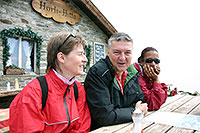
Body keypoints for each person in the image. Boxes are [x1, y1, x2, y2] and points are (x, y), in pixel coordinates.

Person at [9, 32, 91, 132]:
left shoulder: (78, 89)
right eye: (80, 54)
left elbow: (82, 128)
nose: (85, 60)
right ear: (61, 57)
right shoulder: (33, 92)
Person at [84, 32, 148, 130]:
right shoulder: (98, 73)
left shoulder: (132, 71)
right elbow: (105, 116)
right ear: (108, 52)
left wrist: (133, 110)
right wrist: (136, 111)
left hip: (127, 127)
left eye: (127, 53)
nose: (122, 58)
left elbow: (140, 100)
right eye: (117, 52)